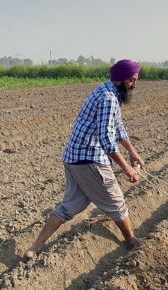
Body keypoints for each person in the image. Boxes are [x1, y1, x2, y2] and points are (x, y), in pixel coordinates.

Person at [24, 59, 146, 259]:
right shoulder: (108, 98)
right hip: (89, 159)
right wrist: (126, 168)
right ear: (120, 79)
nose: (134, 85)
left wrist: (132, 151)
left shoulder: (105, 92)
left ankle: (34, 248)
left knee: (70, 206)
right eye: (132, 80)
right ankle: (132, 242)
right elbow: (107, 139)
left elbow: (118, 126)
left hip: (72, 158)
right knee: (116, 202)